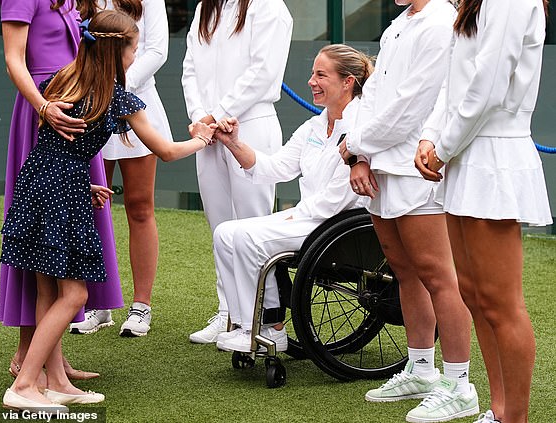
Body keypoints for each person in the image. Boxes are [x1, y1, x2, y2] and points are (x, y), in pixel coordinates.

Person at [0, 10, 216, 411]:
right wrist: (201, 139)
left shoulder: (60, 79)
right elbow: (166, 151)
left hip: (40, 184)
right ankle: (25, 384)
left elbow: (54, 148)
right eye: (133, 50)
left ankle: (56, 381)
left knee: (47, 290)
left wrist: (82, 182)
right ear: (121, 52)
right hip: (63, 191)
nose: (135, 58)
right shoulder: (117, 100)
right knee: (75, 293)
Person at [338, 0, 479, 422]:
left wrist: (357, 145)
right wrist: (358, 155)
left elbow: (411, 106)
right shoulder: (400, 23)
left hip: (419, 169)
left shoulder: (439, 24)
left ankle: (459, 384)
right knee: (404, 270)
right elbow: (372, 94)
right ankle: (421, 369)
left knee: (438, 275)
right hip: (381, 166)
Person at [414, 0, 553, 421]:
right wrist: (430, 136)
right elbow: (454, 83)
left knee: (500, 303)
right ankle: (498, 410)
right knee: (473, 295)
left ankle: (516, 418)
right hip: (465, 154)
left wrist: (442, 146)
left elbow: (489, 86)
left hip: (494, 155)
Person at [208, 44, 370, 352]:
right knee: (225, 233)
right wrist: (233, 143)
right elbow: (276, 167)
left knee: (249, 237)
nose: (311, 81)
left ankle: (271, 328)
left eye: (321, 75)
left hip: (339, 226)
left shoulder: (361, 127)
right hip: (311, 218)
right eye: (312, 74)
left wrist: (295, 214)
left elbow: (340, 197)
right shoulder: (315, 125)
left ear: (347, 81)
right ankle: (246, 325)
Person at [0, 0, 123, 382]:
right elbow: (14, 60)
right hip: (44, 114)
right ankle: (28, 357)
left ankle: (54, 363)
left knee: (62, 246)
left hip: (76, 112)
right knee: (40, 240)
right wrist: (43, 106)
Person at [182, 0, 293, 344]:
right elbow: (189, 69)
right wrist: (202, 116)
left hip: (252, 125)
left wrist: (217, 114)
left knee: (253, 224)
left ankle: (269, 321)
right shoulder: (206, 7)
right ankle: (230, 312)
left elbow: (263, 72)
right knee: (220, 227)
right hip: (208, 132)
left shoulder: (270, 7)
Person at [70, 0, 173, 337]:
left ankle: (141, 306)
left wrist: (117, 87)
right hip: (93, 105)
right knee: (93, 205)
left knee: (140, 207)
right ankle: (101, 304)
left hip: (136, 107)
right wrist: (98, 89)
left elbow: (157, 51)